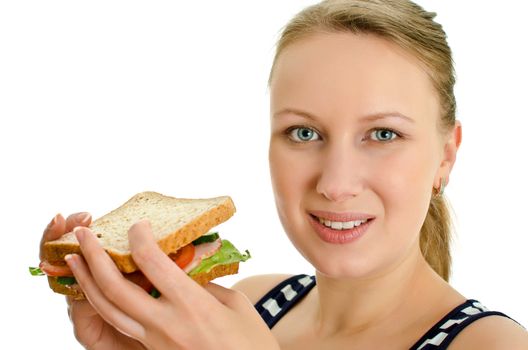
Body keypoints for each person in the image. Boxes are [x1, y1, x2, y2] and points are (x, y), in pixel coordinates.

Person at [39, 0, 528, 349]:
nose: (335, 184)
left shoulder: (493, 344)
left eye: (382, 135)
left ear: (446, 156)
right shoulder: (247, 305)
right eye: (303, 133)